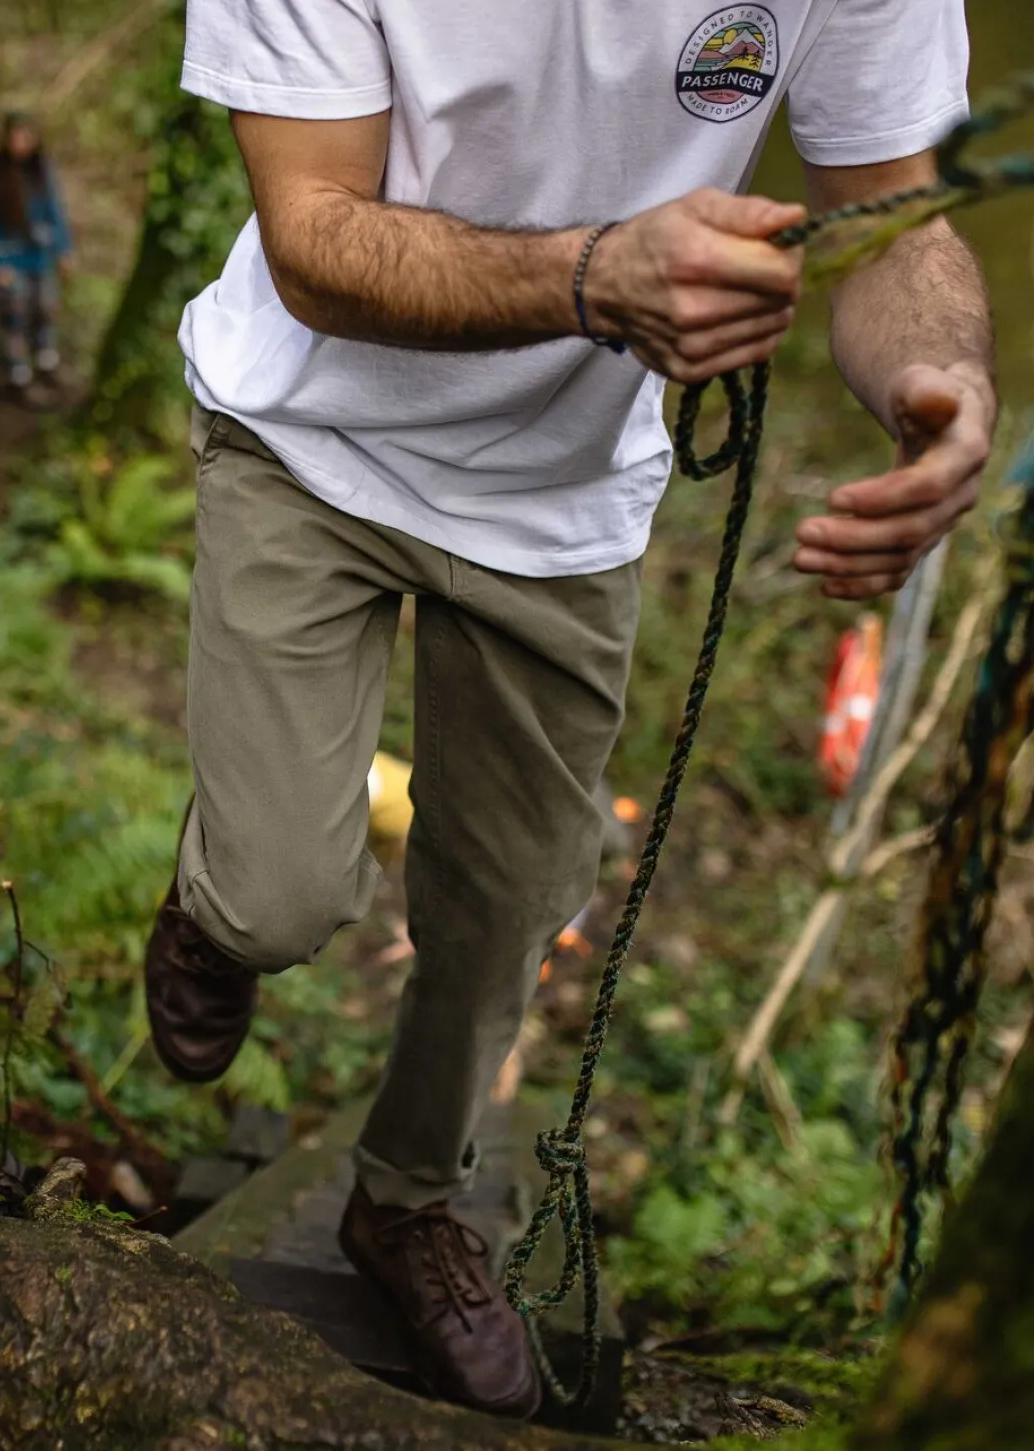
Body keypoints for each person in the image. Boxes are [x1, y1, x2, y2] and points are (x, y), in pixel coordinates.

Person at [146, 0, 995, 1420]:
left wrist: (944, 377)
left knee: (516, 896)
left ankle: (407, 1201)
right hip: (308, 434)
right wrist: (601, 275)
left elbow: (889, 212)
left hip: (561, 500)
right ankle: (217, 910)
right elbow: (315, 235)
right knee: (283, 895)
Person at [0, 112, 73, 392]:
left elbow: (55, 212)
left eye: (26, 135)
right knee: (14, 311)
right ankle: (17, 373)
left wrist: (64, 249)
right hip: (9, 255)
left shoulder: (42, 170)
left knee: (45, 307)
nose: (21, 142)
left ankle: (46, 362)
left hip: (40, 255)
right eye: (16, 135)